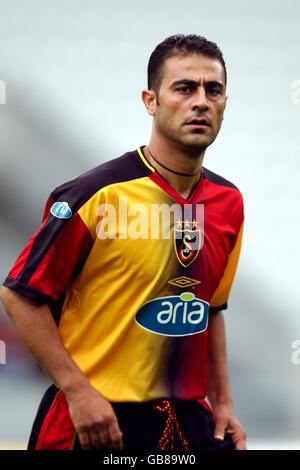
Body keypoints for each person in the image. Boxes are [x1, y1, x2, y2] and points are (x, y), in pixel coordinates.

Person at [0, 34, 246, 451]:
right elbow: (21, 296)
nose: (201, 101)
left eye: (214, 90)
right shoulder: (95, 194)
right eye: (184, 88)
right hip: (97, 419)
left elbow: (211, 311)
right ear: (150, 101)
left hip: (186, 420)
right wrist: (77, 391)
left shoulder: (228, 202)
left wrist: (222, 401)